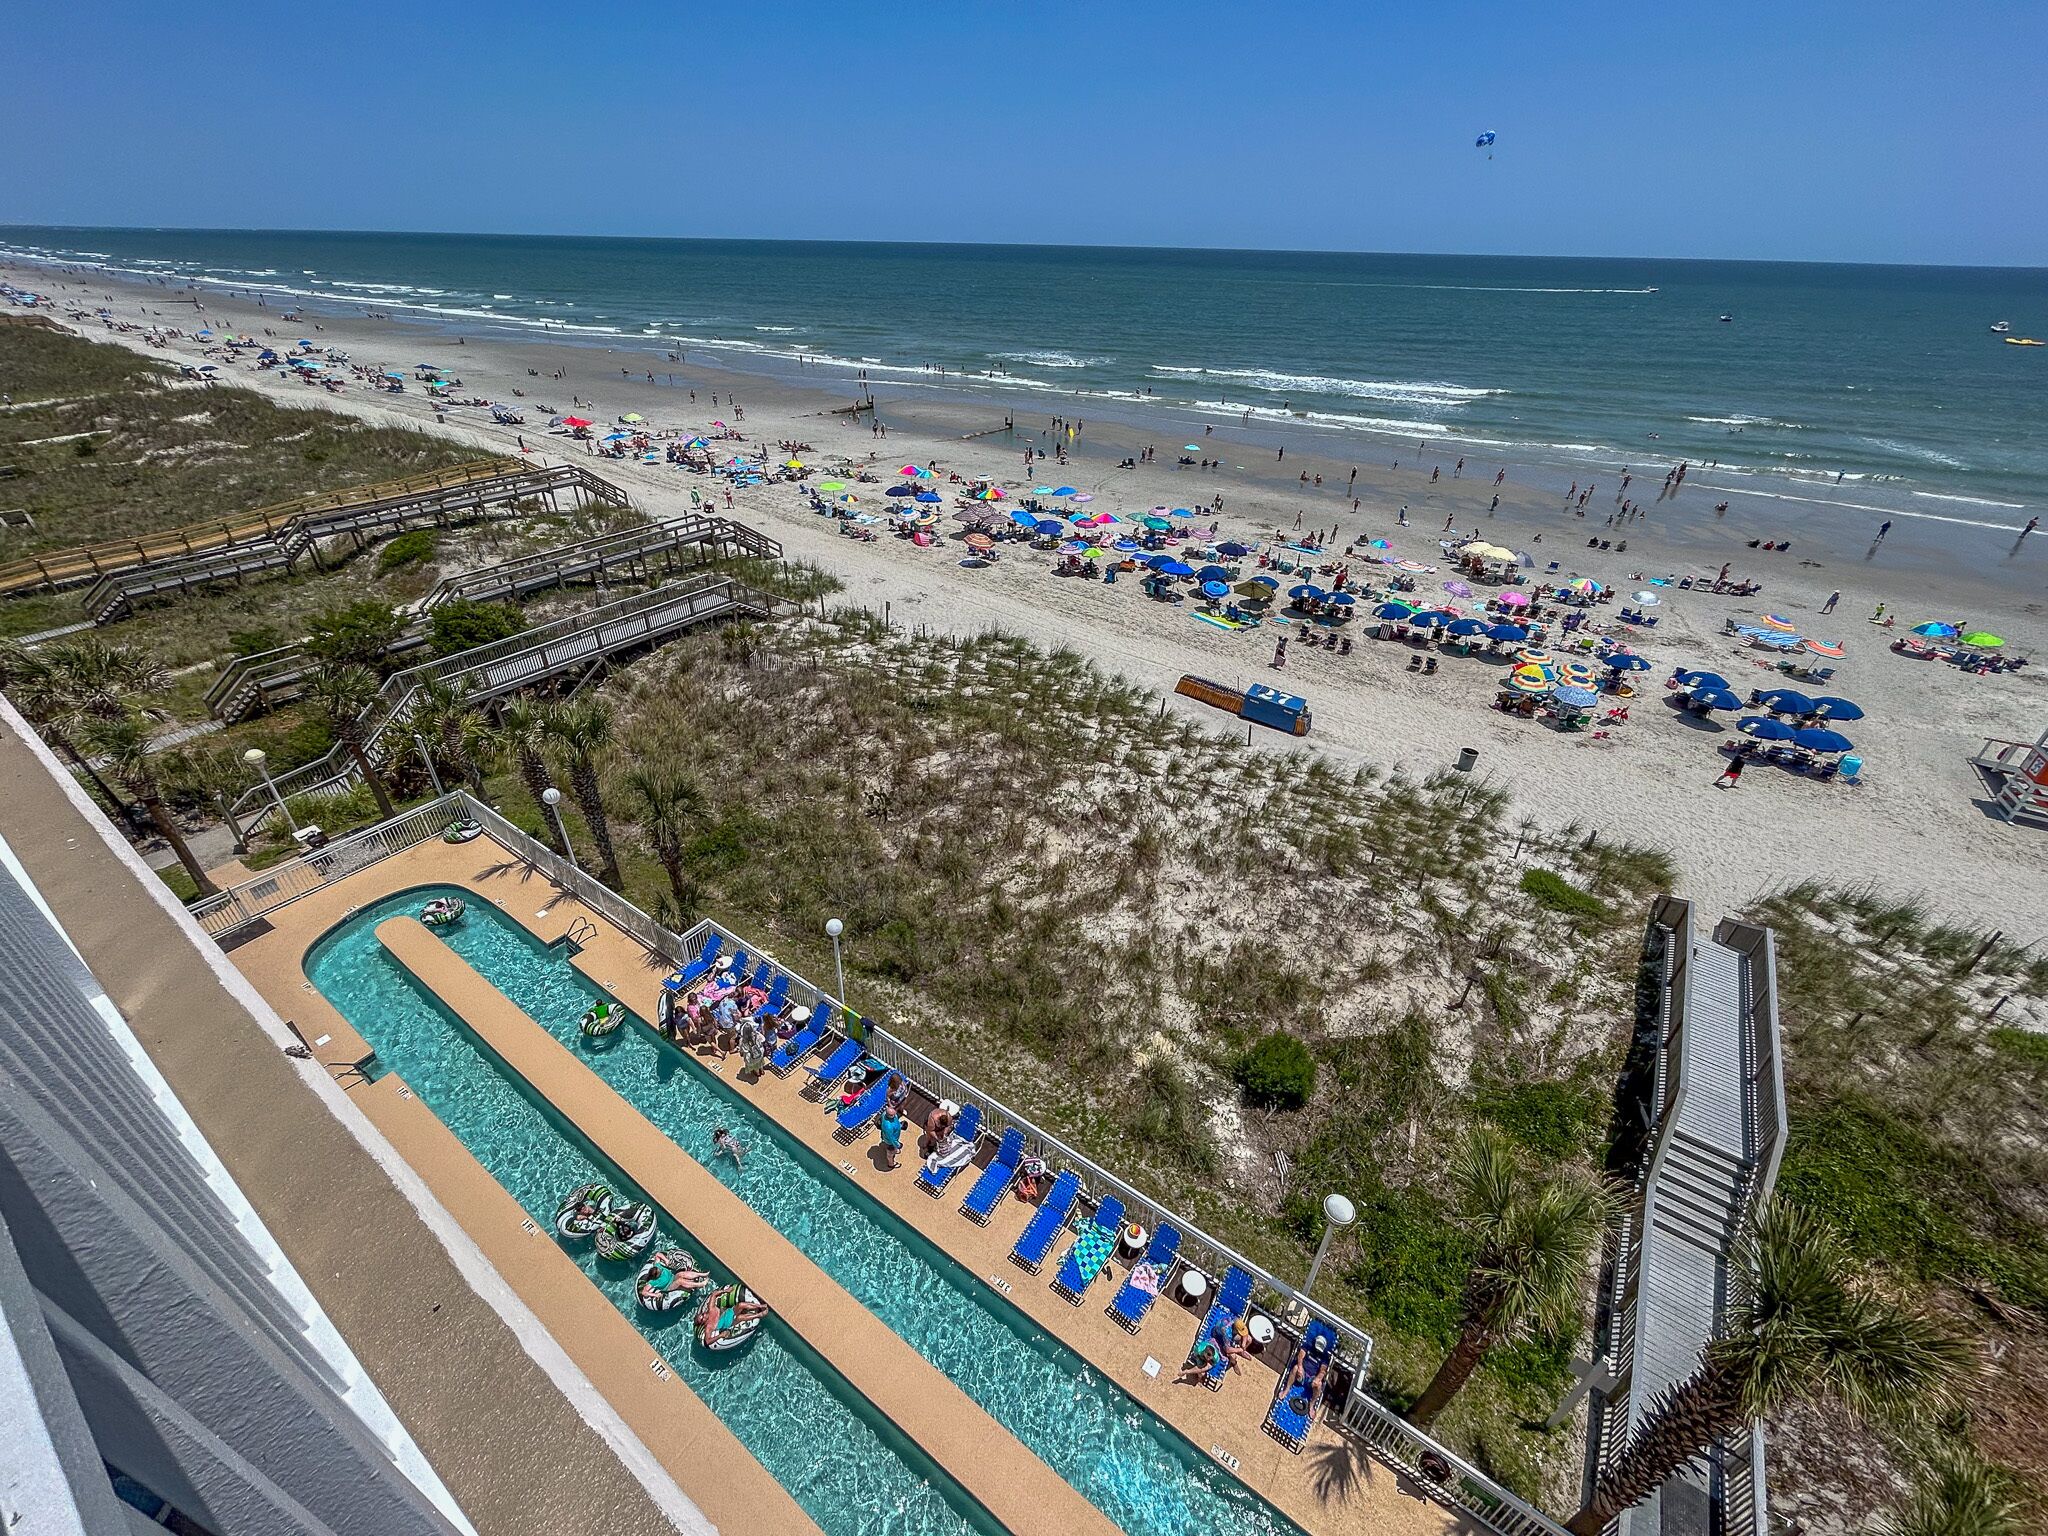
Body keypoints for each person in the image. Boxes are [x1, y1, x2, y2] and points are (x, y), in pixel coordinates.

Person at [879, 1103, 905, 1170]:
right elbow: (891, 1139)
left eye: (894, 1113)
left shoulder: (885, 1114)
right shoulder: (888, 1127)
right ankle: (891, 1164)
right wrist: (897, 1145)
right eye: (892, 1115)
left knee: (894, 1149)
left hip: (893, 1136)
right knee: (890, 1153)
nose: (895, 1115)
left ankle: (895, 1150)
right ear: (889, 1115)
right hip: (890, 1142)